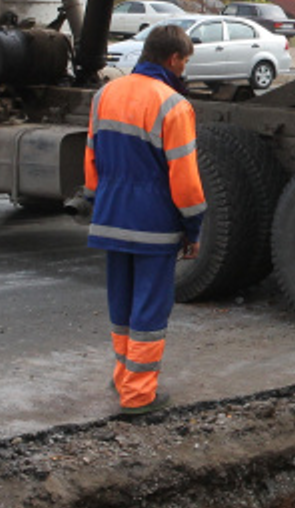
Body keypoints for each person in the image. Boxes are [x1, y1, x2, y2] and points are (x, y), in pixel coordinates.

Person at [84, 23, 206, 417]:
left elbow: (91, 159)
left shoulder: (105, 94)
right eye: (185, 62)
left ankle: (123, 377)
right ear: (173, 60)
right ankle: (138, 395)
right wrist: (193, 227)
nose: (184, 70)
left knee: (120, 305)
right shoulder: (173, 104)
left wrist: (96, 202)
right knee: (150, 310)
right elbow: (185, 179)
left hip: (110, 217)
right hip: (153, 224)